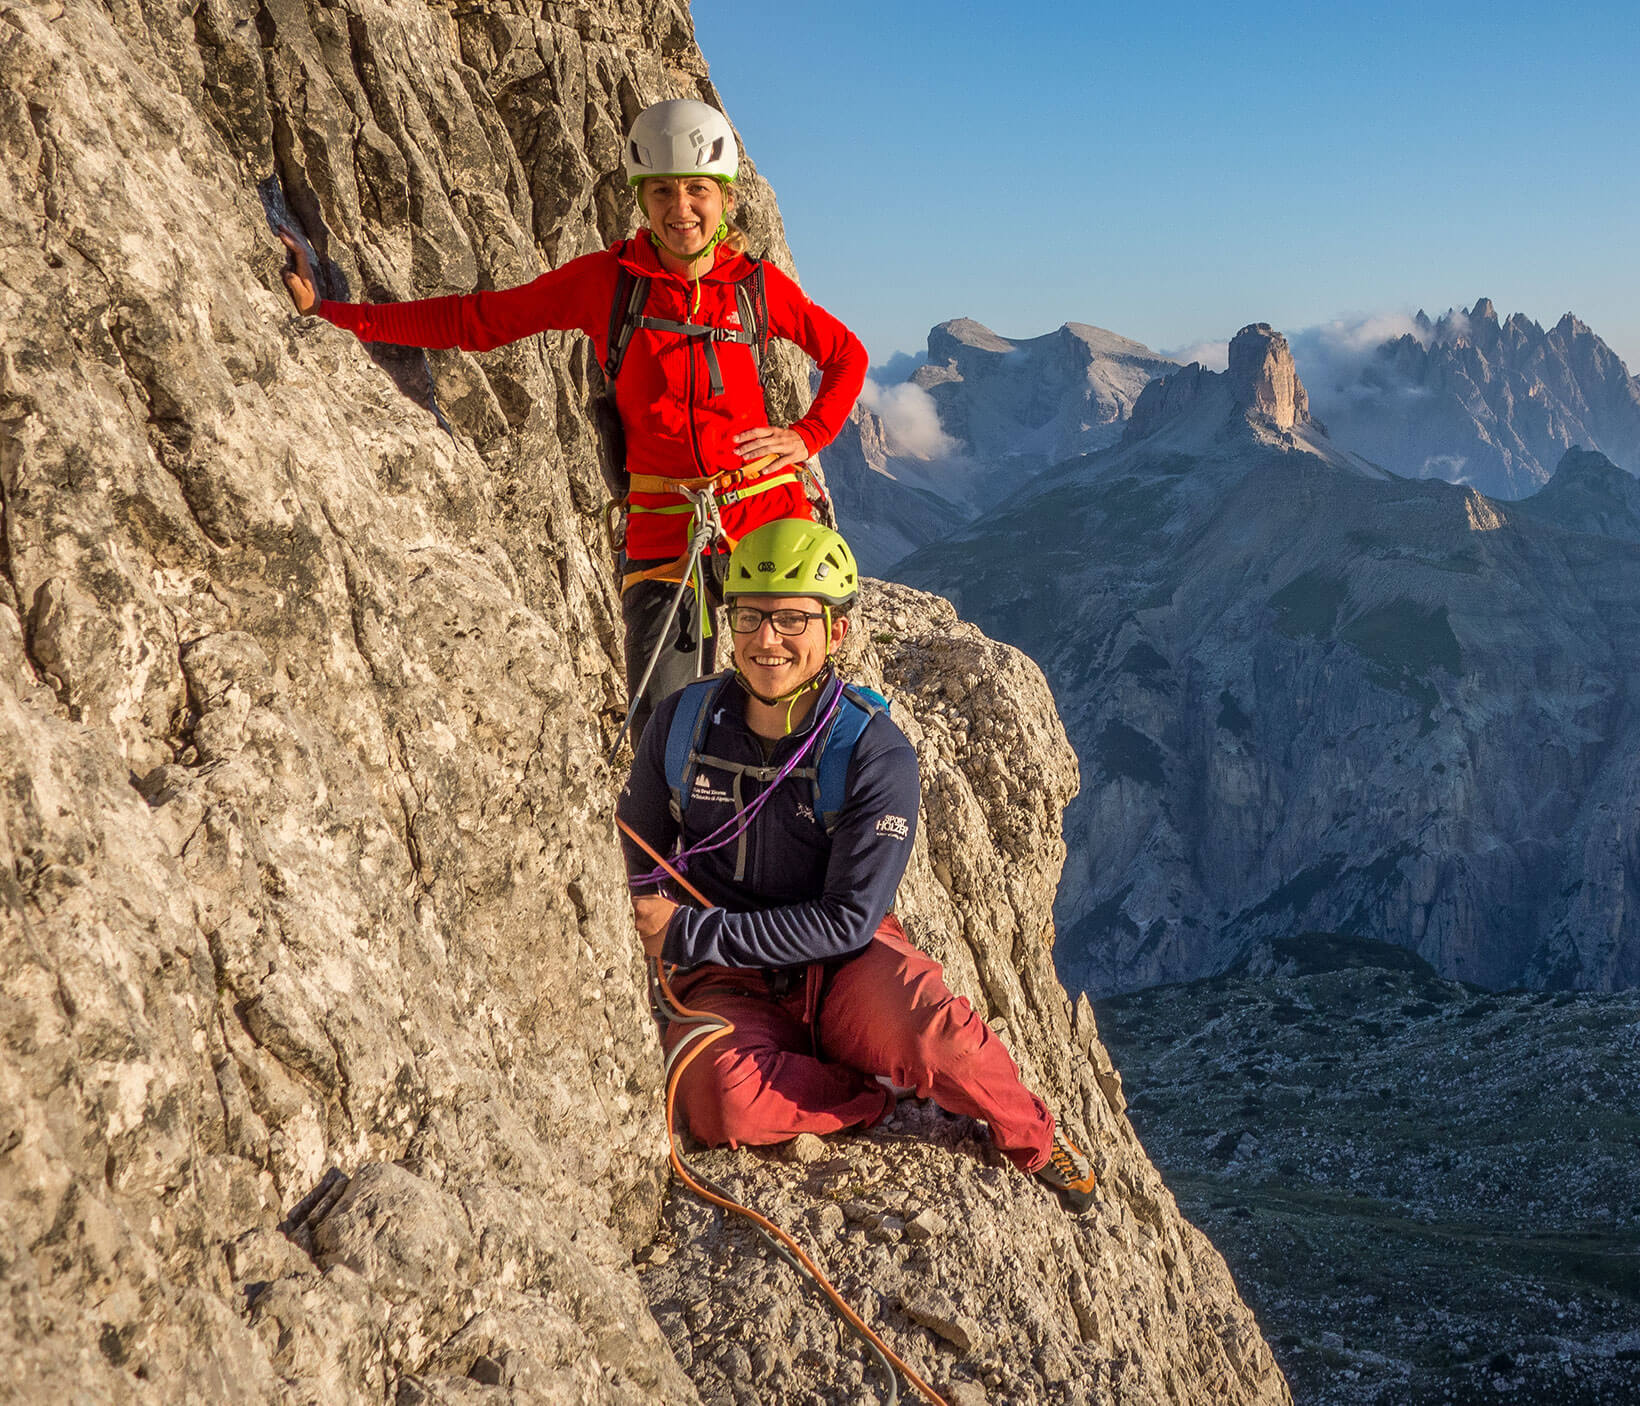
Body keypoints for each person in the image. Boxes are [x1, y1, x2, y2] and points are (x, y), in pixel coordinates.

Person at [279, 99, 867, 738]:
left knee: (790, 712)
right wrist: (336, 316)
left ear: (723, 198)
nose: (681, 209)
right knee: (662, 730)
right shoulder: (608, 283)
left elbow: (845, 355)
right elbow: (481, 320)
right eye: (662, 190)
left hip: (766, 515)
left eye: (698, 189)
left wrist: (807, 436)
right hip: (666, 526)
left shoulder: (754, 287)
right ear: (642, 198)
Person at [614, 518, 1100, 1214]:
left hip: (839, 967)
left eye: (790, 620)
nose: (765, 640)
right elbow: (640, 850)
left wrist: (688, 934)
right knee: (721, 1106)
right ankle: (871, 1091)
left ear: (835, 633)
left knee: (947, 1042)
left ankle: (1035, 1137)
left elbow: (849, 919)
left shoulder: (873, 753)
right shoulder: (682, 725)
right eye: (748, 616)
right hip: (729, 982)